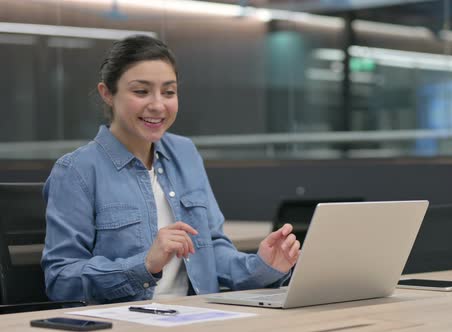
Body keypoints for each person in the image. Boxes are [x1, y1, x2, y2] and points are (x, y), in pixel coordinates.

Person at [41, 35, 300, 304]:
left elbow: (211, 251)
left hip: (198, 317)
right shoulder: (76, 170)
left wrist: (263, 267)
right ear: (107, 93)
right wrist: (144, 265)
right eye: (141, 91)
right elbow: (61, 279)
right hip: (127, 322)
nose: (158, 105)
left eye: (169, 92)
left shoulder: (185, 153)